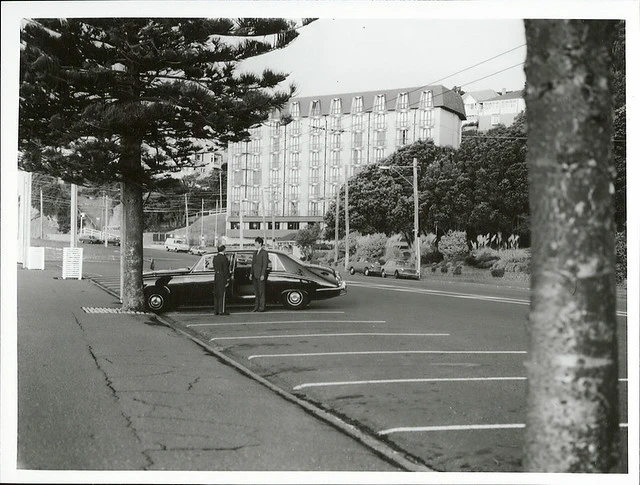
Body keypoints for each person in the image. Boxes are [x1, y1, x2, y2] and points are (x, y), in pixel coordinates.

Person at [250, 236, 269, 312]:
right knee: (256, 292)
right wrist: (251, 273)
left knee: (261, 292)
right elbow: (253, 264)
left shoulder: (264, 252)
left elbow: (265, 264)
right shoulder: (255, 252)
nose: (255, 244)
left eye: (256, 243)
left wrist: (263, 274)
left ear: (260, 243)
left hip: (260, 275)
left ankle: (262, 307)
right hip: (255, 274)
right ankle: (256, 306)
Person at [213, 245, 231, 315]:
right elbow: (225, 269)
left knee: (216, 293)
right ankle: (222, 310)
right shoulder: (224, 258)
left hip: (216, 275)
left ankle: (216, 310)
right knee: (222, 294)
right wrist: (227, 279)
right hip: (222, 276)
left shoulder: (215, 258)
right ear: (224, 250)